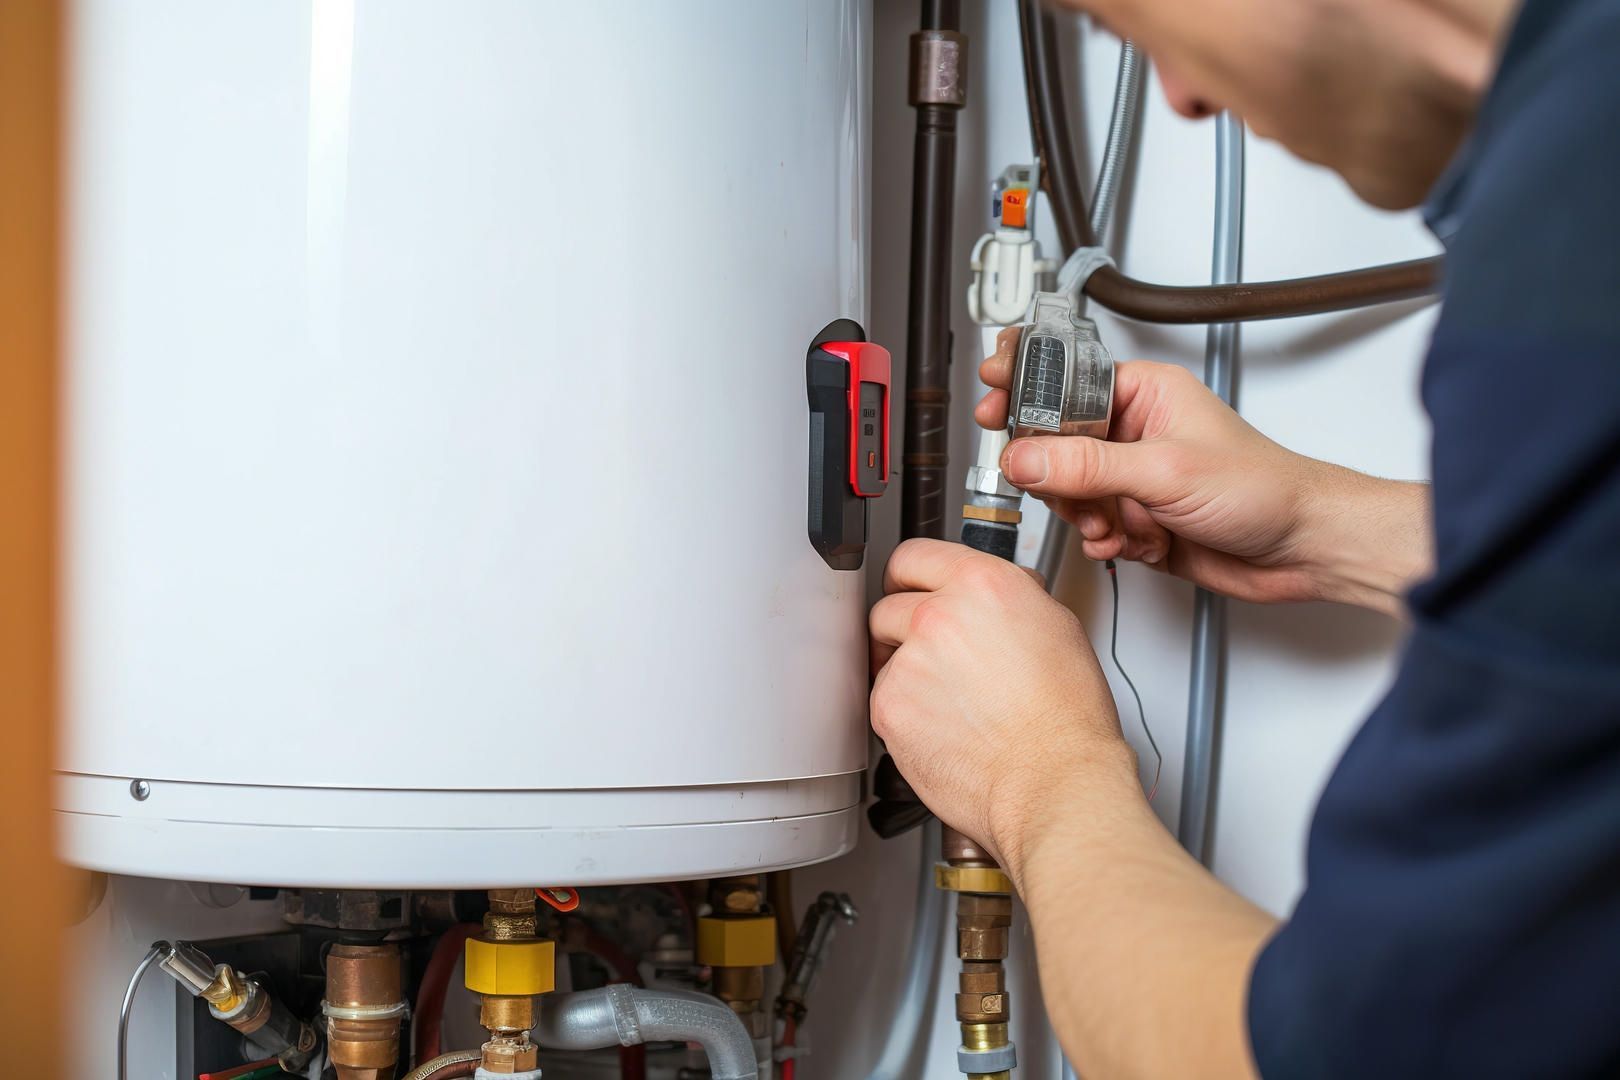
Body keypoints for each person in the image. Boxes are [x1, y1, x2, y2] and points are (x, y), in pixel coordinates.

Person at [867, 0, 1620, 1075]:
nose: (1184, 96)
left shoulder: (1573, 244)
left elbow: (1325, 1059)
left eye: (1125, 22)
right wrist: (1324, 523)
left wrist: (1037, 774)